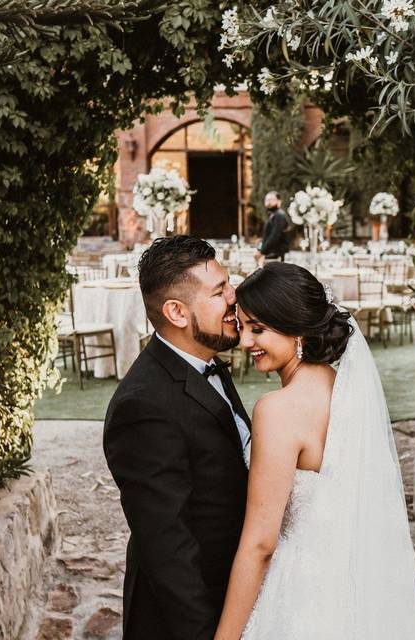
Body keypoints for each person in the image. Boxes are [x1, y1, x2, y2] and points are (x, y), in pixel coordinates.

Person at [213, 262, 415, 640]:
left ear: (296, 328)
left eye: (258, 329)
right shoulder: (348, 393)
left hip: (299, 596)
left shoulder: (278, 410)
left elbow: (260, 544)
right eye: (243, 326)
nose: (245, 342)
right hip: (350, 589)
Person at [103, 235, 252, 640]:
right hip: (188, 617)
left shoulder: (207, 362)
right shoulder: (143, 407)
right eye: (220, 291)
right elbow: (168, 549)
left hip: (233, 599)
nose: (235, 296)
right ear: (177, 313)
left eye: (229, 283)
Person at [255, 191, 290, 263]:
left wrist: (262, 252)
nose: (268, 202)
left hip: (276, 255)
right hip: (272, 254)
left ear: (279, 201)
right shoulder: (273, 215)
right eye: (266, 200)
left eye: (271, 199)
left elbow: (274, 236)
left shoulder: (279, 215)